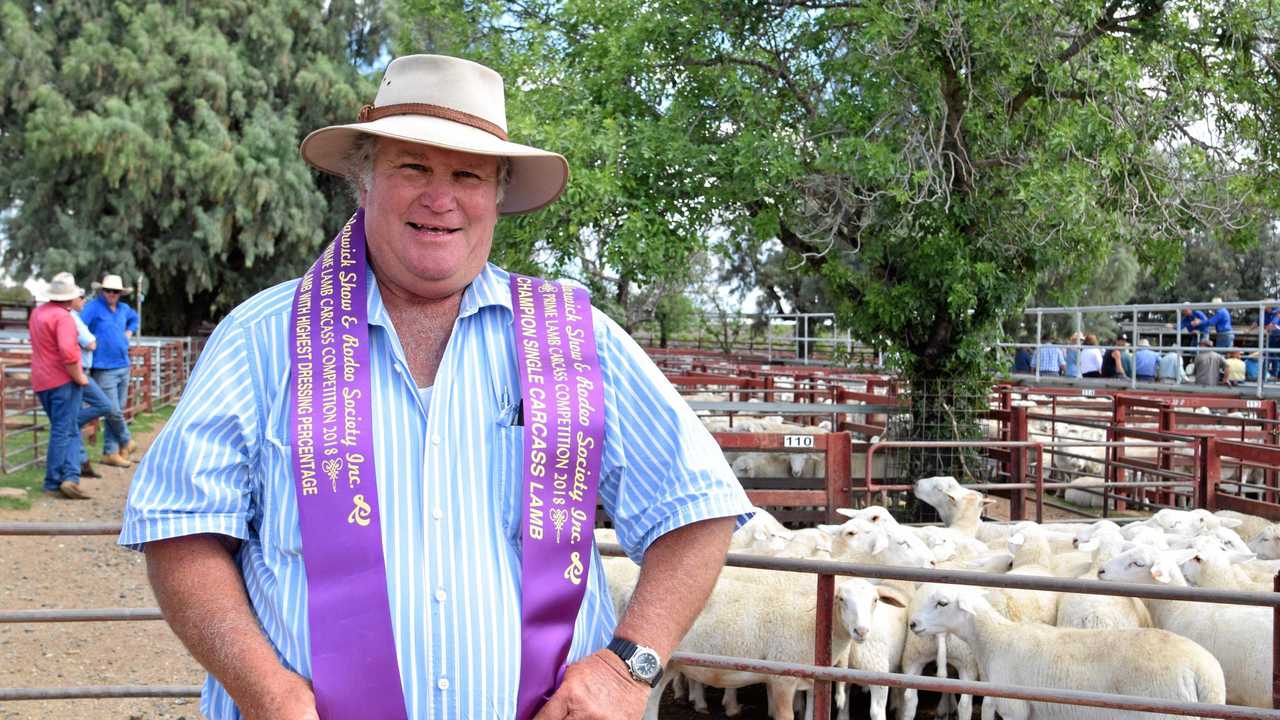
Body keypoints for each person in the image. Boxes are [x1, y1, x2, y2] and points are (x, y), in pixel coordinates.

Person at [120, 54, 752, 720]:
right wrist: (265, 691)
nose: (440, 198)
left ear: (498, 193)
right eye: (413, 167)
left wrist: (631, 667)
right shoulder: (263, 338)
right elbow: (180, 532)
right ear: (364, 182)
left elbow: (696, 506)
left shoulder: (577, 337)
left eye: (467, 174)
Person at [29, 272, 90, 499]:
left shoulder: (38, 313)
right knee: (65, 430)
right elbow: (68, 353)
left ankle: (69, 476)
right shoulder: (64, 317)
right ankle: (56, 480)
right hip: (63, 380)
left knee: (64, 428)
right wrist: (79, 377)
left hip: (41, 379)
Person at [80, 274, 139, 467]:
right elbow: (79, 326)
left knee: (117, 410)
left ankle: (111, 452)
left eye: (115, 291)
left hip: (123, 364)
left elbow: (134, 319)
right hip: (103, 366)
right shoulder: (93, 308)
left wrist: (129, 332)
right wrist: (89, 342)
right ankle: (126, 440)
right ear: (102, 291)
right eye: (108, 290)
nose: (112, 294)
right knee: (112, 409)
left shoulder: (123, 309)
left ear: (120, 293)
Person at [1265, 305, 1280, 380]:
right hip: (1274, 336)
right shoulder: (1274, 314)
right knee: (1272, 355)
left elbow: (1273, 324)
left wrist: (1267, 328)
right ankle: (1273, 374)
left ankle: (1274, 374)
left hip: (1276, 336)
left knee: (1273, 355)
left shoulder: (1277, 314)